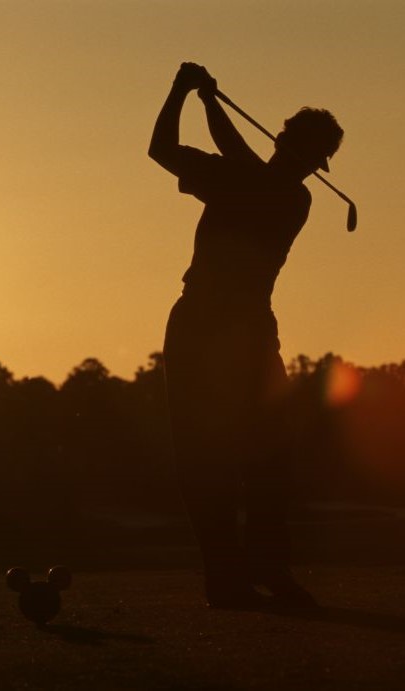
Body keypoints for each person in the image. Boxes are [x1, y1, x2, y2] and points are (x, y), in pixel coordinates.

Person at [148, 62, 343, 609]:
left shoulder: (276, 193)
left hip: (226, 325)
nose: (310, 168)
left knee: (265, 455)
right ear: (293, 147)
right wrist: (206, 101)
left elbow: (162, 148)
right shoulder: (280, 190)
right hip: (227, 326)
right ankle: (234, 578)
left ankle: (258, 573)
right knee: (207, 453)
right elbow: (239, 158)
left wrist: (182, 92)